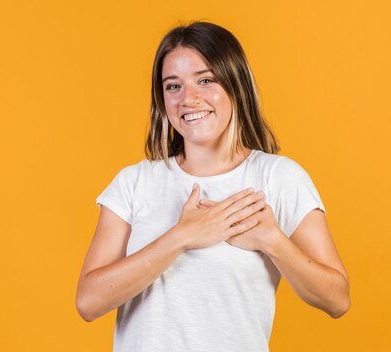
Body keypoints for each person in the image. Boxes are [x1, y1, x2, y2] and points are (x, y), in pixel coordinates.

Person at [75, 21, 350, 352]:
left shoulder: (278, 178)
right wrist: (182, 237)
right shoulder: (134, 183)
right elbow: (88, 302)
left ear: (236, 85)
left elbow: (337, 299)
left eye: (206, 80)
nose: (189, 99)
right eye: (173, 86)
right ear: (161, 99)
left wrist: (273, 240)